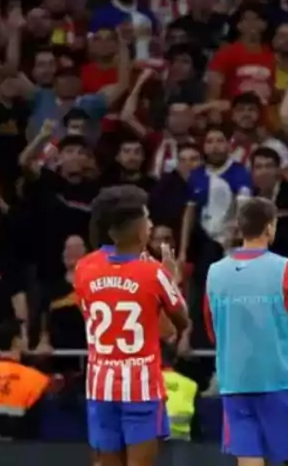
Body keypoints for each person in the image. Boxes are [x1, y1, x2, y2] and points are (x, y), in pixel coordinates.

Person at [75, 185, 190, 466]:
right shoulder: (154, 272)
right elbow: (179, 325)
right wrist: (172, 281)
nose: (151, 225)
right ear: (136, 229)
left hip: (100, 386)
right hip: (142, 389)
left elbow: (89, 313)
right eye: (147, 219)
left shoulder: (84, 268)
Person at [204, 197, 288, 465]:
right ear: (270, 227)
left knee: (249, 458)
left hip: (234, 380)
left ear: (240, 228)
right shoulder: (286, 269)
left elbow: (212, 331)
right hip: (279, 379)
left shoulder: (214, 272)